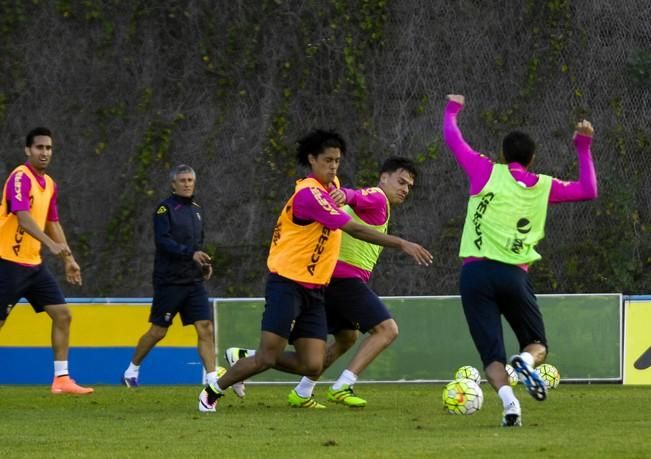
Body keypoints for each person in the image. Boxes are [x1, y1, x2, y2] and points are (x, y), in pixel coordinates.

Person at [199, 129, 433, 412]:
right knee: (267, 357)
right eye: (328, 160)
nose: (334, 166)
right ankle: (212, 391)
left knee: (311, 362)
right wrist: (402, 243)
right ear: (312, 160)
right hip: (287, 282)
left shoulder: (330, 183)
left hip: (316, 287)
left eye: (337, 160)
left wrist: (344, 193)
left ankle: (246, 360)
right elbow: (353, 226)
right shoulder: (308, 194)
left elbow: (348, 195)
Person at [442, 94, 598, 426]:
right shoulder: (543, 186)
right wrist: (583, 146)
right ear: (532, 158)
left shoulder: (484, 170)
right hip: (513, 275)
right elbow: (588, 189)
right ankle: (526, 361)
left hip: (474, 273)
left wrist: (452, 110)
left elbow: (452, 138)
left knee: (491, 354)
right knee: (537, 343)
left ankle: (511, 405)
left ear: (503, 154)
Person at [0, 127, 93, 394]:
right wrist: (51, 245)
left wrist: (68, 258)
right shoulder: (20, 177)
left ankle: (61, 379)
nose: (44, 153)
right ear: (28, 150)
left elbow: (53, 222)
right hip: (6, 262)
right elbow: (23, 216)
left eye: (49, 148)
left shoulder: (50, 184)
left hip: (33, 266)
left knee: (63, 315)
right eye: (39, 147)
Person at [122, 164, 218, 406]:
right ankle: (131, 370)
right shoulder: (165, 209)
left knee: (205, 327)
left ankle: (212, 380)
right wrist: (190, 254)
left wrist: (204, 265)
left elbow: (199, 243)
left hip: (193, 281)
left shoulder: (197, 210)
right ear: (173, 184)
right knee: (158, 331)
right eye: (182, 180)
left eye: (190, 180)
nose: (187, 184)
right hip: (170, 281)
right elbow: (163, 242)